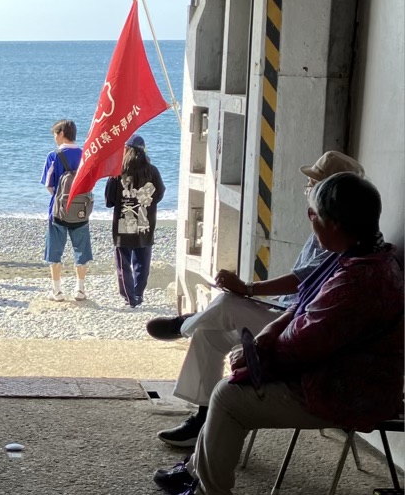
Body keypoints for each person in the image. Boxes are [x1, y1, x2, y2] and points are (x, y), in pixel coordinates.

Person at [155, 172, 404, 495]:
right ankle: (199, 473)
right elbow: (303, 306)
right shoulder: (364, 254)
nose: (310, 219)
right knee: (230, 375)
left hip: (347, 390)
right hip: (343, 373)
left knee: (228, 395)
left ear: (335, 223)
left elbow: (303, 345)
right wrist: (268, 334)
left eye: (314, 214)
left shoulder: (357, 279)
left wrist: (254, 357)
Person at [147, 150, 365, 448]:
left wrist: (247, 289)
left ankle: (183, 325)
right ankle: (203, 418)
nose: (308, 188)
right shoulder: (327, 226)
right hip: (288, 315)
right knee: (209, 335)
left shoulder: (341, 235)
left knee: (226, 305)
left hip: (300, 330)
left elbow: (300, 279)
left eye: (315, 182)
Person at [104, 134, 165, 309]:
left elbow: (109, 200)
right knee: (142, 261)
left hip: (124, 222)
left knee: (123, 262)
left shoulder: (118, 172)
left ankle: (129, 297)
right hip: (145, 222)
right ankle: (138, 293)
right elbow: (159, 194)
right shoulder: (152, 171)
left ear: (127, 151)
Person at [40, 119, 92, 302]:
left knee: (55, 252)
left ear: (61, 133)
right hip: (81, 210)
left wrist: (61, 196)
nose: (54, 138)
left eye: (55, 134)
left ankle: (57, 291)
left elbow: (49, 185)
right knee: (81, 251)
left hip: (58, 211)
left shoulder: (54, 156)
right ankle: (80, 289)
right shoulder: (86, 154)